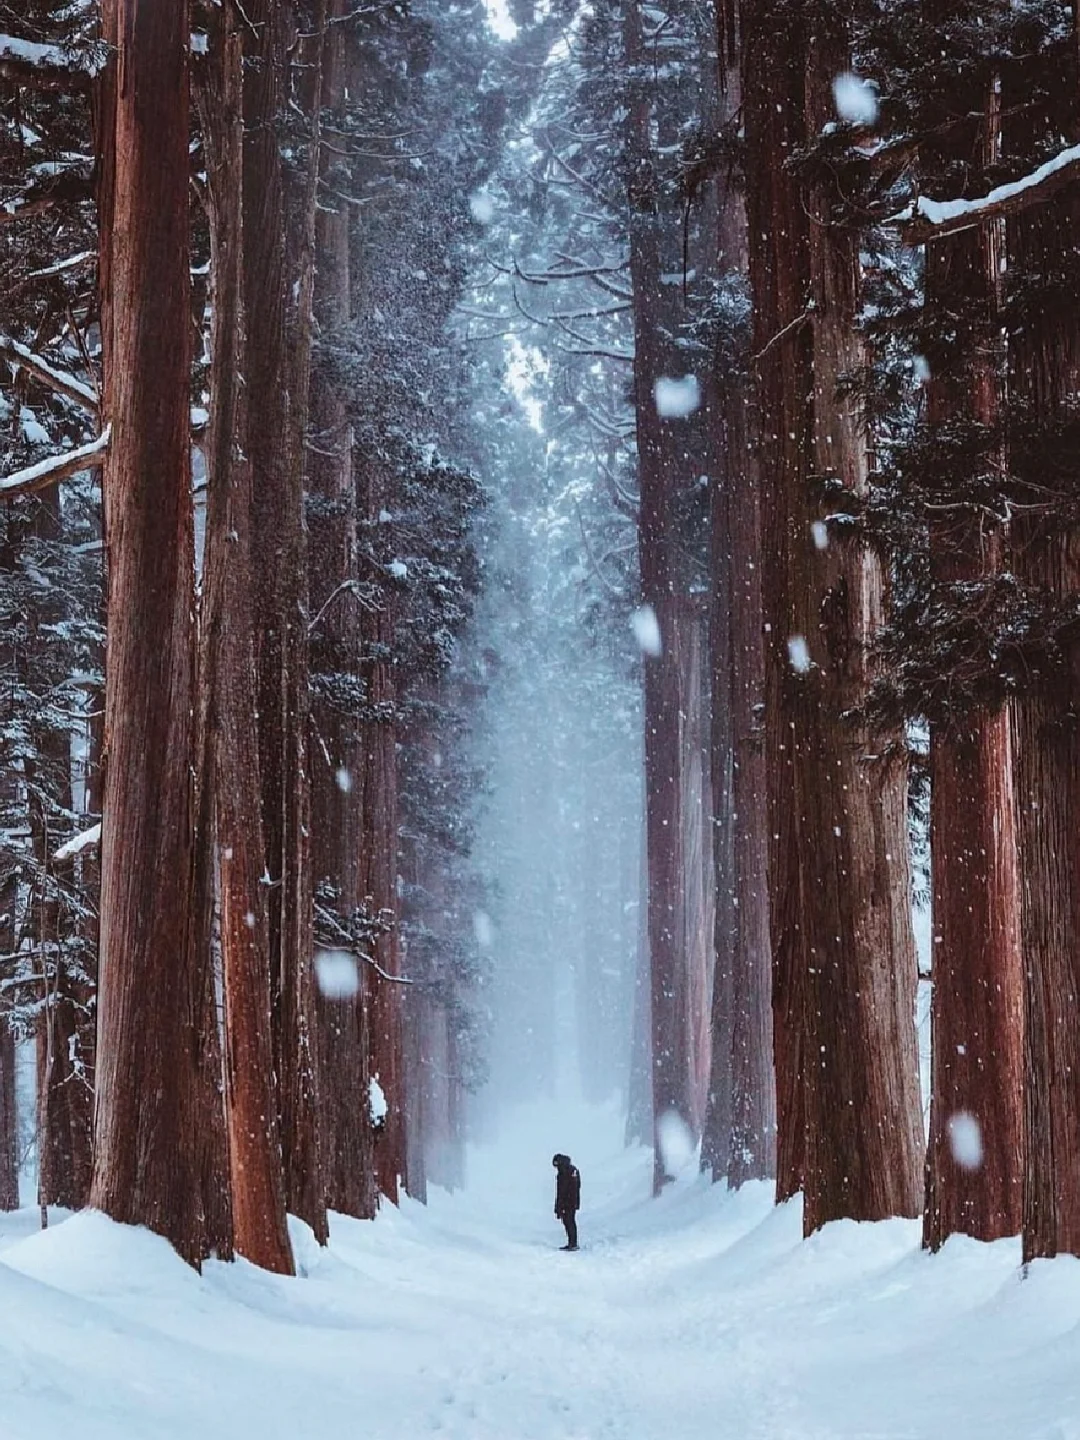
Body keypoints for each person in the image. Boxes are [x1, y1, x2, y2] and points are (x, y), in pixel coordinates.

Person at [552, 1153, 581, 1251]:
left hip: (568, 1202)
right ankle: (572, 1242)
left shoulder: (565, 1172)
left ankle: (573, 1243)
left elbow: (562, 1191)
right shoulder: (572, 1170)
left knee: (569, 1222)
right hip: (571, 1202)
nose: (556, 1168)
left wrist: (559, 1206)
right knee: (569, 1221)